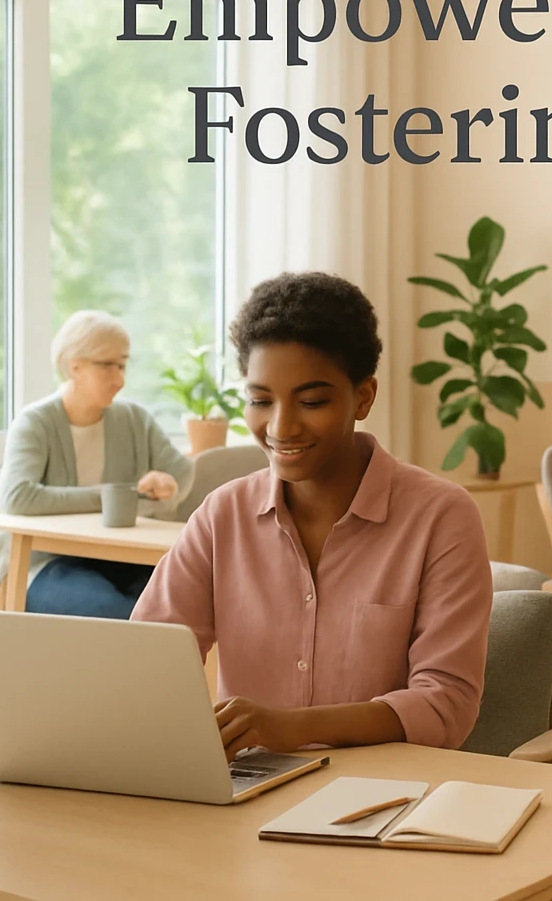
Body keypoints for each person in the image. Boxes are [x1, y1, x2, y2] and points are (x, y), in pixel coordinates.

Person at [132, 272, 493, 756]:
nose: (281, 426)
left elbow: (446, 705)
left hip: (387, 798)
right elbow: (147, 661)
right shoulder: (223, 515)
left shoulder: (441, 517)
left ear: (363, 397)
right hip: (246, 794)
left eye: (312, 401)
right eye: (260, 401)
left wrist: (292, 728)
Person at [0, 310, 192, 618]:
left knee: (182, 605)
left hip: (124, 558)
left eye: (123, 364)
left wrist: (169, 482)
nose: (120, 379)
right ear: (74, 365)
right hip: (47, 564)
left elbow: (181, 470)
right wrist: (110, 496)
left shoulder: (134, 419)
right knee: (117, 614)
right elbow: (17, 497)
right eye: (107, 365)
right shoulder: (35, 422)